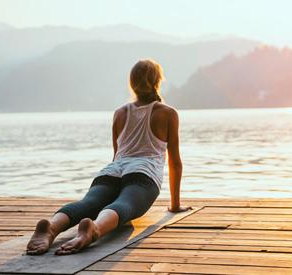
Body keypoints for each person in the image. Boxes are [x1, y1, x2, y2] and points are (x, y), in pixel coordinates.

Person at [26, 59, 192, 255]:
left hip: (112, 171)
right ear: (158, 81)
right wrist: (174, 205)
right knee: (124, 205)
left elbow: (117, 154)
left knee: (87, 204)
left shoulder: (120, 113)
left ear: (132, 84)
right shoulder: (168, 113)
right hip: (143, 175)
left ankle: (52, 226)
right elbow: (175, 163)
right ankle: (94, 229)